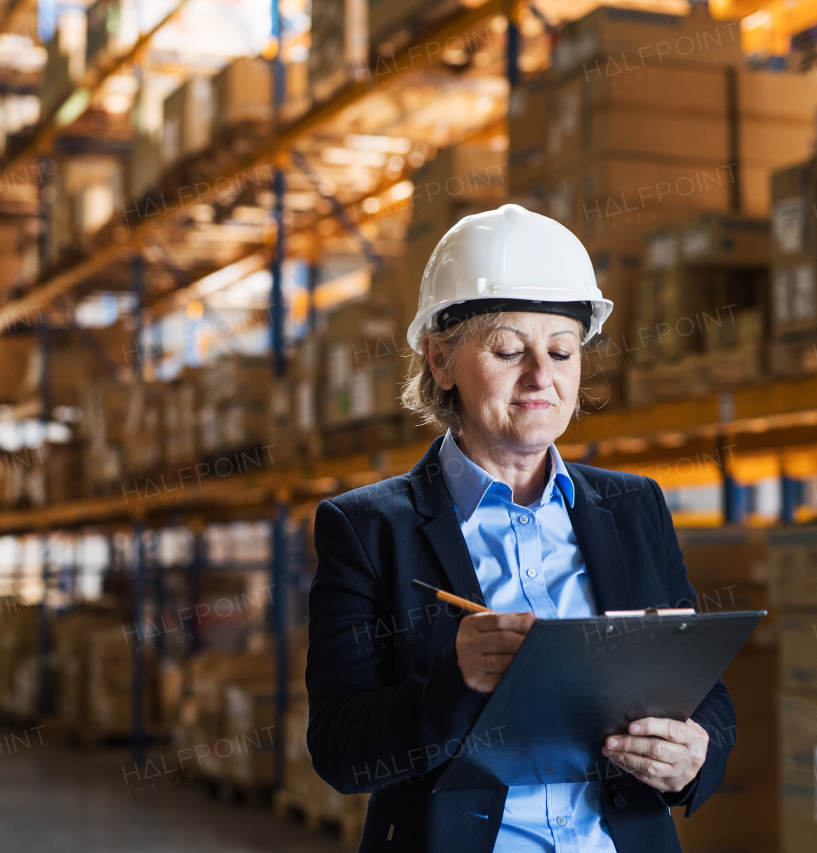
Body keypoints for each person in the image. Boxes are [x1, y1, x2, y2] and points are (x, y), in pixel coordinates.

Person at [305, 204, 734, 852]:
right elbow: (341, 749)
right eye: (509, 349)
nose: (542, 376)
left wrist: (697, 755)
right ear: (441, 359)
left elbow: (705, 693)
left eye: (562, 350)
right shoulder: (367, 530)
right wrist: (456, 682)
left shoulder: (633, 506)